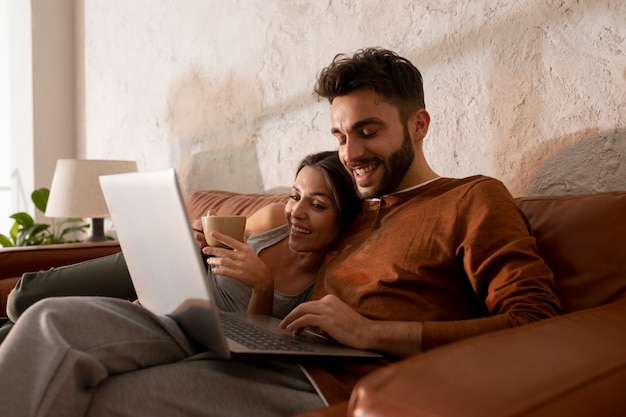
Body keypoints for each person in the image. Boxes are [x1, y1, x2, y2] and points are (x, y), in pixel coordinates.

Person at [0, 47, 561, 416]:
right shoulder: (355, 209)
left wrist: (370, 332)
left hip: (326, 374)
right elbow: (280, 220)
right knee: (51, 320)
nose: (352, 153)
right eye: (340, 135)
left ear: (419, 124)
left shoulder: (472, 197)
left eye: (368, 131)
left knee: (113, 402)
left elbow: (537, 321)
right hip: (256, 336)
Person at [0, 150, 361, 343]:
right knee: (20, 300)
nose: (296, 213)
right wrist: (196, 234)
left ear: (342, 218)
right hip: (172, 263)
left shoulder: (322, 285)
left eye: (317, 205)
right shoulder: (272, 220)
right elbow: (221, 232)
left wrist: (262, 283)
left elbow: (256, 336)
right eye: (295, 196)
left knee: (26, 332)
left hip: (183, 314)